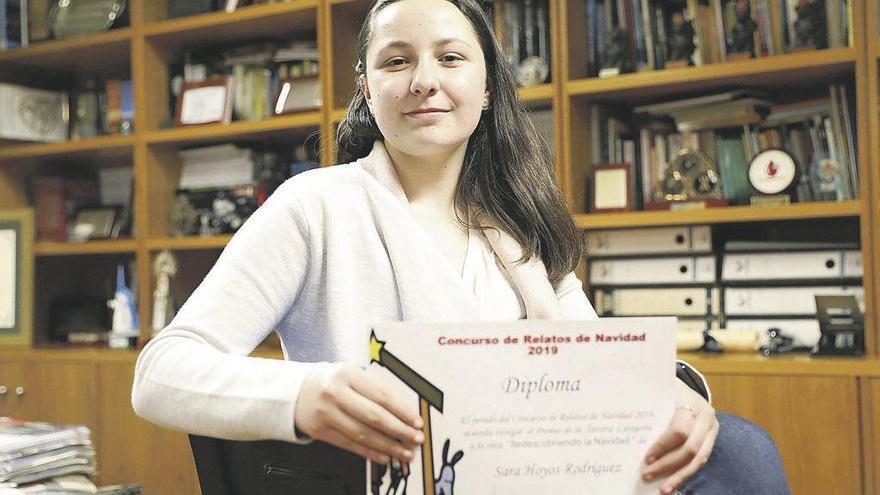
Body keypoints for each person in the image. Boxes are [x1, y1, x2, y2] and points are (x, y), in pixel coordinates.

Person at [131, 1, 790, 493]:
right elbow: (161, 372)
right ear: (366, 88)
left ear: (486, 87)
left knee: (739, 451)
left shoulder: (516, 219)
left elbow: (597, 362)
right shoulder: (316, 206)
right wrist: (304, 392)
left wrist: (681, 394)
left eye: (450, 57)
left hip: (545, 468)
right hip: (408, 476)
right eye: (396, 61)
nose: (424, 80)